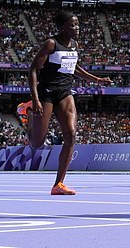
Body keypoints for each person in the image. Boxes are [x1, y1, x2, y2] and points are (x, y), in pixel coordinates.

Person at [28, 11, 112, 195]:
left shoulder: (74, 45)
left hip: (65, 93)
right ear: (62, 27)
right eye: (73, 25)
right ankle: (27, 113)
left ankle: (58, 184)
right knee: (37, 143)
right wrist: (35, 99)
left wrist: (97, 80)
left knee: (71, 134)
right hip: (46, 93)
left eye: (78, 25)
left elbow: (75, 68)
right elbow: (33, 70)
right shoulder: (51, 44)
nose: (77, 28)